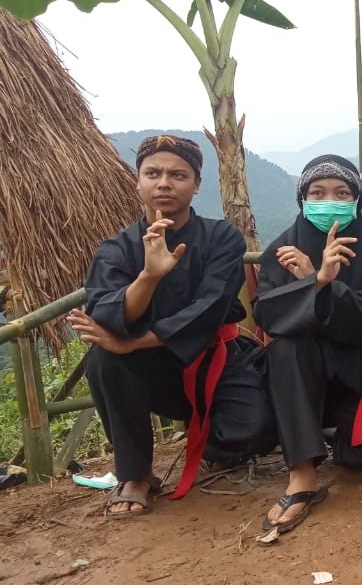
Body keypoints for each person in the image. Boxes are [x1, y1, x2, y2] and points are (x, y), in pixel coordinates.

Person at [71, 135, 275, 517]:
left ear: (196, 184)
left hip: (217, 359)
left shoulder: (222, 238)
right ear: (138, 182)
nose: (164, 183)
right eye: (153, 173)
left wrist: (135, 342)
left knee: (257, 431)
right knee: (104, 361)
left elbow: (210, 308)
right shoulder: (116, 250)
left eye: (178, 175)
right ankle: (135, 475)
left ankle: (212, 437)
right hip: (153, 371)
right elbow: (110, 315)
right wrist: (148, 276)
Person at [254, 155, 362, 533]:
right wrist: (317, 283)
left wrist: (323, 283)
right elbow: (268, 316)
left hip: (354, 371)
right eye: (318, 192)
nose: (330, 201)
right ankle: (302, 474)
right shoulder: (282, 251)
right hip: (297, 375)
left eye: (342, 193)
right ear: (303, 198)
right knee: (287, 346)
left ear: (356, 199)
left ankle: (327, 436)